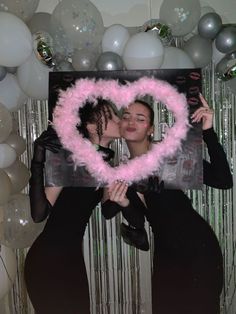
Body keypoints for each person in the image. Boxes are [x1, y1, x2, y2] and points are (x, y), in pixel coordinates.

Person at [102, 94, 233, 314]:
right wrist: (124, 201)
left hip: (197, 250)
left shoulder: (169, 156)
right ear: (121, 125)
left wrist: (208, 131)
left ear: (151, 129)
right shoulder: (122, 172)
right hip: (166, 257)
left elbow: (223, 181)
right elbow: (123, 215)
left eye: (140, 118)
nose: (132, 122)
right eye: (126, 116)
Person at [24, 99, 121, 314]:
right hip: (48, 260)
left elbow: (108, 211)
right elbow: (39, 214)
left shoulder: (106, 167)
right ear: (91, 127)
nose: (119, 119)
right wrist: (38, 158)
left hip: (71, 259)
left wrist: (125, 186)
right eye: (111, 116)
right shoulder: (72, 159)